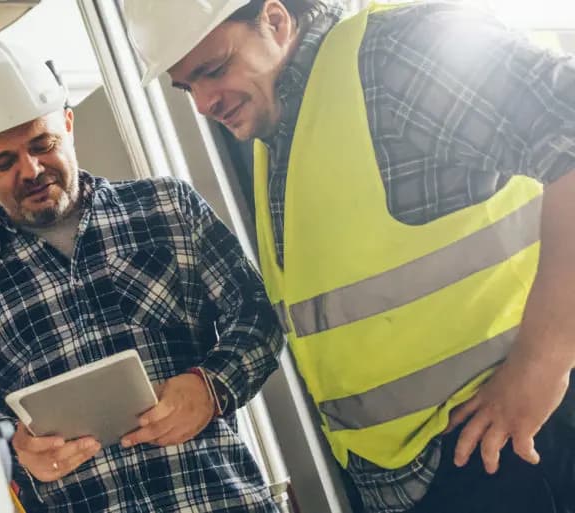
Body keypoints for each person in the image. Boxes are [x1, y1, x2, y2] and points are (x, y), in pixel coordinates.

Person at [123, 1, 575, 512]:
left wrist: (542, 364)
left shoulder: (395, 54)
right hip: (419, 478)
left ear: (275, 20)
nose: (204, 103)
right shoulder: (285, 131)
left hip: (511, 446)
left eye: (214, 69)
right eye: (187, 88)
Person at [0, 39, 285, 512]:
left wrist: (212, 385)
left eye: (43, 144)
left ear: (69, 125)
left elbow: (259, 316)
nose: (31, 170)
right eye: (4, 161)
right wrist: (16, 451)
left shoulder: (168, 208)